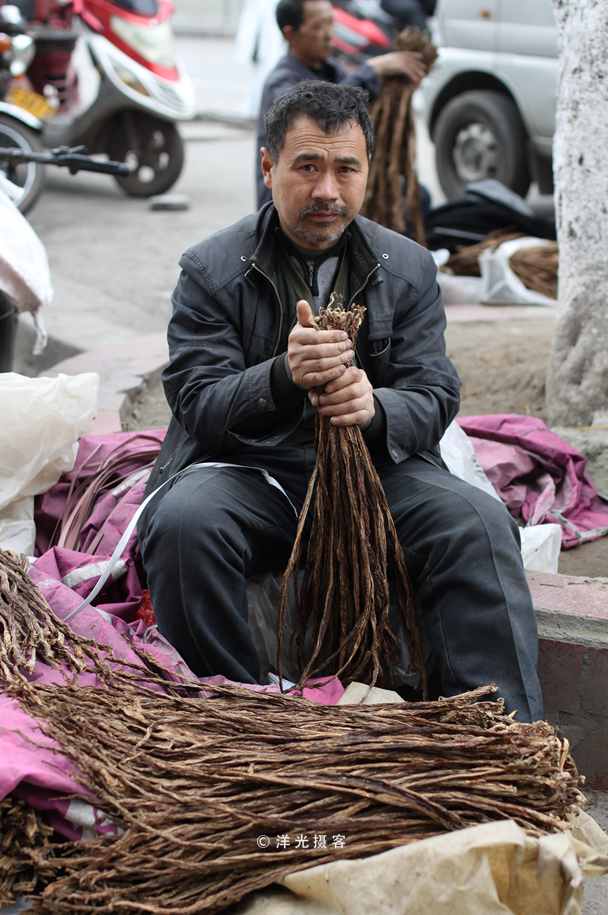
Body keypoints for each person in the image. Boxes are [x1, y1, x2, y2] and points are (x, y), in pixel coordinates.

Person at [139, 80, 543, 723]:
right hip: (255, 475)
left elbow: (434, 392)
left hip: (377, 473)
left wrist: (375, 409)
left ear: (367, 171)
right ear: (268, 166)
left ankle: (502, 735)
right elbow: (198, 403)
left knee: (478, 524)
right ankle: (235, 723)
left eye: (345, 169)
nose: (327, 190)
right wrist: (281, 375)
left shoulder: (408, 268)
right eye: (307, 166)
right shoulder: (210, 270)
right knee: (185, 524)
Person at [256, 0, 427, 208]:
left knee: (418, 196)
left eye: (331, 23)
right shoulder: (281, 83)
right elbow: (321, 113)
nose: (329, 34)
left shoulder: (331, 69)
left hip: (328, 186)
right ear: (291, 34)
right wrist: (371, 70)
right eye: (319, 26)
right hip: (291, 206)